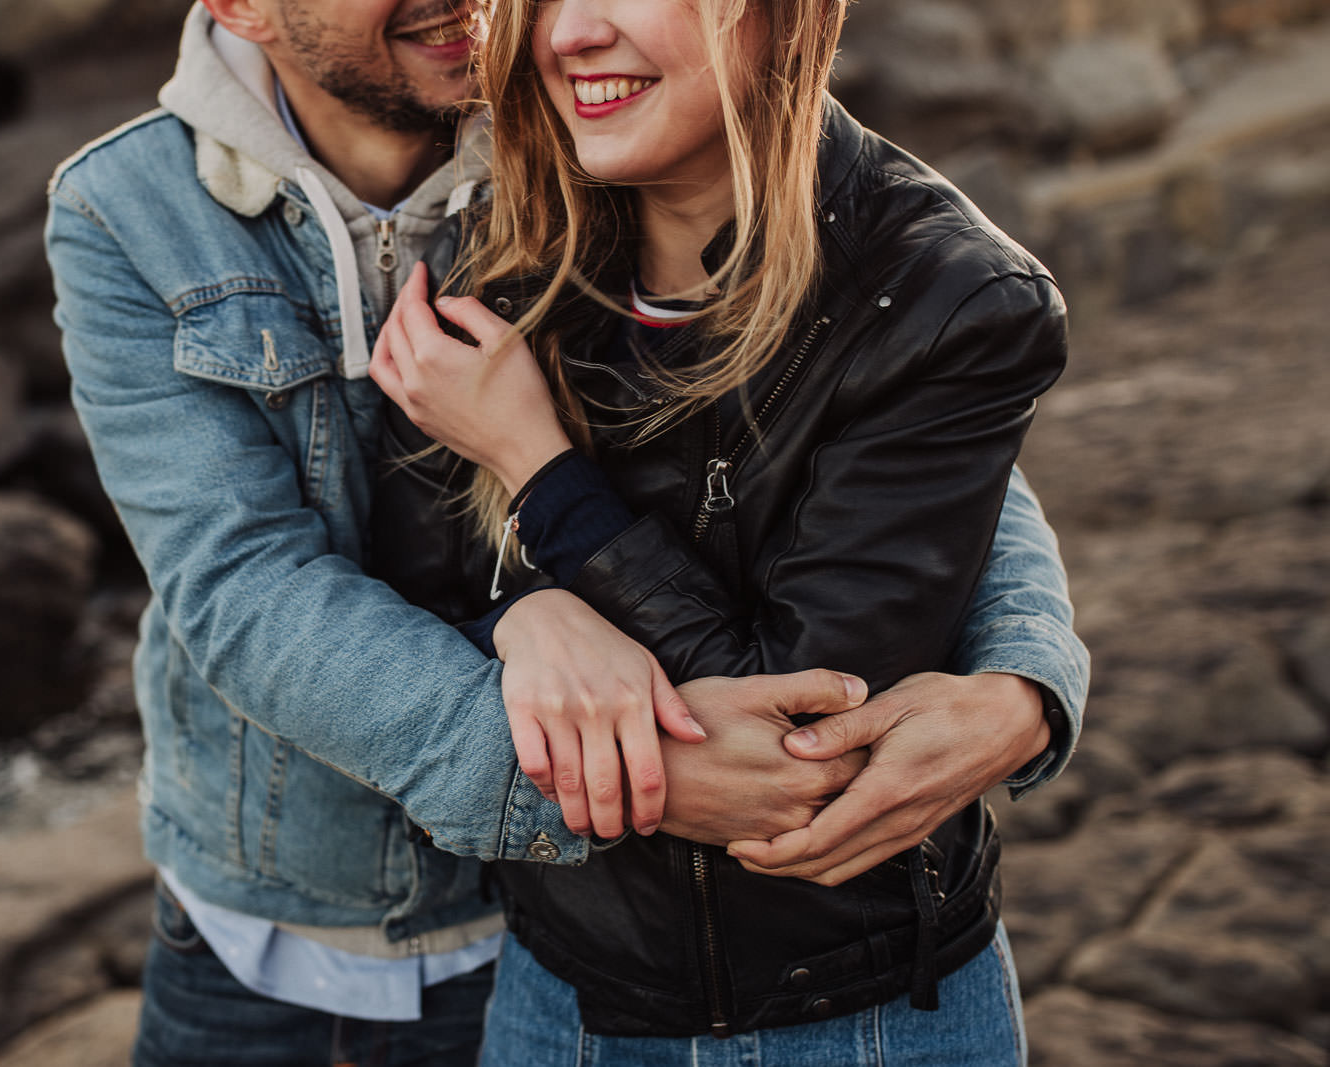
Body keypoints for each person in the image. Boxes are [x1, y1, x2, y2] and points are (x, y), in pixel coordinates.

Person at [44, 1, 1088, 1064]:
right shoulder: (128, 209)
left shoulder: (585, 126)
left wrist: (1025, 674)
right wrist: (607, 727)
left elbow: (903, 409)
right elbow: (242, 589)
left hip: (572, 944)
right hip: (291, 918)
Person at [368, 0, 1079, 1062]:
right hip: (552, 995)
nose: (565, 37)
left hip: (858, 1019)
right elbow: (412, 593)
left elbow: (787, 746)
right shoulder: (503, 258)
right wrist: (530, 619)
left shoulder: (948, 297)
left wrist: (540, 470)